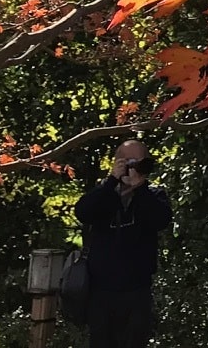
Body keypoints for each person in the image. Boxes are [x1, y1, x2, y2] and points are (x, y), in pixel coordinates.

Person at [74, 139, 173, 348]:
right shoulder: (104, 193)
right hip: (102, 291)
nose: (132, 167)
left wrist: (140, 188)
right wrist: (112, 181)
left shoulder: (153, 195)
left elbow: (161, 220)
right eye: (127, 162)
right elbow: (83, 212)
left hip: (137, 290)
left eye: (138, 162)